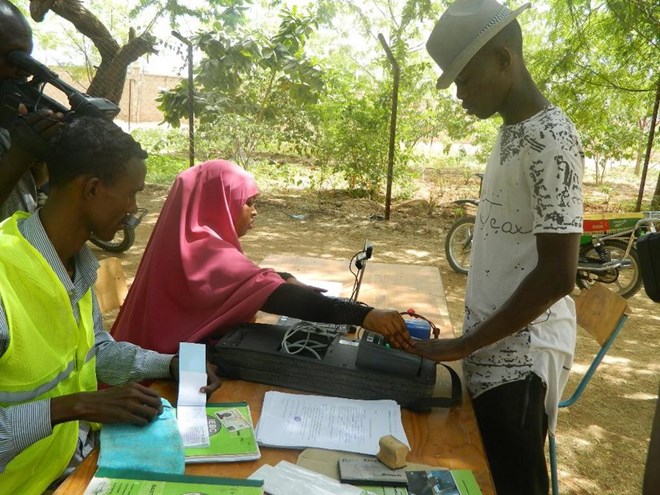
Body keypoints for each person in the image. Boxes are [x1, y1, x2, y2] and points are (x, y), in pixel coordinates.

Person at [412, 1, 584, 494]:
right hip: (492, 342)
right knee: (488, 472)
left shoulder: (551, 139)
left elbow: (557, 275)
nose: (460, 94)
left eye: (465, 79)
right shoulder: (514, 132)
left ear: (504, 60)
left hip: (522, 356)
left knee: (515, 479)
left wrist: (464, 345)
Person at [0, 116, 221, 495]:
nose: (134, 208)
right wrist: (75, 406)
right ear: (92, 189)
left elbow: (96, 351)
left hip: (76, 466)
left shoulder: (74, 260)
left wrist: (167, 364)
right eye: (132, 193)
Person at [111, 159, 414, 354]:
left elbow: (247, 281)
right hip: (154, 380)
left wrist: (284, 278)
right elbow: (274, 297)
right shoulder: (206, 255)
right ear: (218, 204)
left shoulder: (187, 243)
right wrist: (364, 315)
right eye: (248, 203)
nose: (255, 212)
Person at [0, 0, 64, 220]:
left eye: (26, 58)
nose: (23, 70)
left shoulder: (8, 111)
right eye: (12, 57)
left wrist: (37, 154)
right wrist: (20, 155)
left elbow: (36, 181)